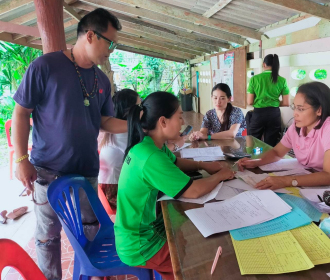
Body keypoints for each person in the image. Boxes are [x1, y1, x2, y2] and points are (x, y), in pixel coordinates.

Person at [12, 8, 126, 280]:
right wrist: (21, 159)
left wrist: (139, 127)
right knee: (48, 237)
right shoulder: (45, 66)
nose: (113, 49)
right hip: (47, 170)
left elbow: (104, 121)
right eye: (110, 42)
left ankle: (93, 274)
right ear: (90, 35)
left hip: (86, 170)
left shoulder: (101, 80)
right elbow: (20, 112)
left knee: (90, 229)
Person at [114, 91, 234, 280]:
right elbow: (193, 191)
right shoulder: (151, 156)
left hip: (140, 229)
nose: (182, 123)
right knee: (192, 265)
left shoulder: (149, 144)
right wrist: (221, 175)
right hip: (140, 243)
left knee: (184, 236)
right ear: (163, 121)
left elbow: (175, 162)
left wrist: (203, 165)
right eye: (179, 117)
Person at [238, 82, 330, 189]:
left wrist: (286, 181)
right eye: (294, 107)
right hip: (306, 182)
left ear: (319, 110)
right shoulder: (297, 126)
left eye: (301, 109)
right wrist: (257, 161)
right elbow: (277, 152)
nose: (295, 114)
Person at [99, 89, 186, 210]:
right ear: (129, 111)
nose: (143, 110)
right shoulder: (125, 135)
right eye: (140, 105)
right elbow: (152, 156)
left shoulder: (121, 130)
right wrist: (175, 145)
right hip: (114, 192)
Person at [246, 54, 290, 146]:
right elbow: (286, 103)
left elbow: (250, 102)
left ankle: (253, 159)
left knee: (253, 142)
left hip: (258, 114)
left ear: (264, 64)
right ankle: (268, 160)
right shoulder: (282, 80)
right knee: (271, 145)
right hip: (274, 114)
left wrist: (261, 101)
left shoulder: (254, 79)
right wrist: (273, 102)